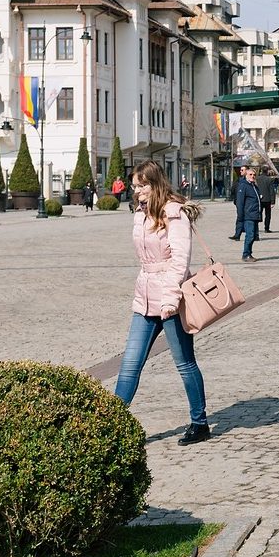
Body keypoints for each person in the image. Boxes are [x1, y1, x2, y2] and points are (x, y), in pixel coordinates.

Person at [115, 160, 211, 446]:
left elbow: (179, 261)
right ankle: (111, 423)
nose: (137, 192)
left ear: (154, 184)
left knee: (184, 363)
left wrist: (170, 298)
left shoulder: (175, 213)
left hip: (172, 299)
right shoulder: (140, 213)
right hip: (145, 298)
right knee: (130, 363)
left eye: (141, 186)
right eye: (134, 187)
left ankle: (200, 422)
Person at [235, 168, 263, 263]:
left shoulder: (254, 186)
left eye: (254, 175)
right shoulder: (243, 186)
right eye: (250, 174)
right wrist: (240, 216)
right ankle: (245, 254)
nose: (252, 176)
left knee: (253, 236)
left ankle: (249, 253)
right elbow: (240, 202)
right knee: (250, 235)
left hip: (254, 214)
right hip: (248, 215)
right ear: (246, 175)